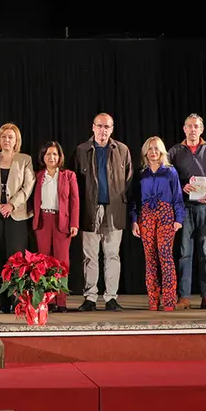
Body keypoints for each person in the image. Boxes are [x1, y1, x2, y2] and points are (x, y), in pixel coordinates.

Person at [72, 112, 133, 312]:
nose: (103, 130)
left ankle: (111, 298)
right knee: (90, 256)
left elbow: (129, 181)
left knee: (112, 255)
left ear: (112, 129)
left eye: (107, 127)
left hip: (114, 210)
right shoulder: (81, 150)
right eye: (99, 126)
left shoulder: (122, 150)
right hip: (89, 210)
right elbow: (74, 185)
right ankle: (90, 297)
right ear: (93, 127)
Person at [168, 113, 206, 310]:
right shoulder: (175, 151)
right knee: (185, 253)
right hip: (183, 207)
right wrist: (181, 187)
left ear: (201, 129)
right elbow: (168, 178)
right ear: (184, 129)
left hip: (205, 207)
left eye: (196, 126)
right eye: (189, 126)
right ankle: (184, 296)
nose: (193, 129)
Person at [0, 123, 34, 312]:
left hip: (17, 215)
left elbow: (28, 186)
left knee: (16, 260)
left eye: (11, 137)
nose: (7, 140)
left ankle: (17, 300)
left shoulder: (25, 159)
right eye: (4, 137)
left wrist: (11, 205)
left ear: (16, 140)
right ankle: (2, 302)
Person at [130, 137, 185, 312]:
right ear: (146, 152)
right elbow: (134, 199)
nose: (153, 152)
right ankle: (153, 299)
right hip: (146, 214)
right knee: (150, 258)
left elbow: (177, 196)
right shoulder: (141, 173)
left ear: (161, 151)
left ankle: (169, 299)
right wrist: (134, 220)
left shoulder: (170, 171)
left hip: (166, 213)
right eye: (150, 149)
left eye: (156, 149)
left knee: (165, 256)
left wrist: (179, 219)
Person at [32, 141, 79, 312]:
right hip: (43, 221)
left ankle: (61, 302)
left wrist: (74, 223)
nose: (52, 157)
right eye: (48, 154)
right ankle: (48, 301)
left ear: (60, 157)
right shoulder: (38, 176)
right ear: (43, 157)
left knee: (61, 262)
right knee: (44, 262)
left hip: (62, 222)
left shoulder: (68, 176)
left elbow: (75, 201)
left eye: (55, 154)